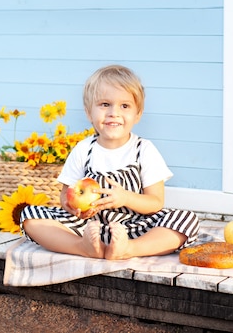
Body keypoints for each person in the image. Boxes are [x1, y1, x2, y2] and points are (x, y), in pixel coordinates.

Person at [20, 65, 199, 260]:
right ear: (89, 113)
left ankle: (129, 248)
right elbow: (65, 194)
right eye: (105, 104)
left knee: (186, 220)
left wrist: (126, 199)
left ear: (137, 114)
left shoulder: (143, 150)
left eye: (124, 106)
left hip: (133, 226)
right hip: (88, 226)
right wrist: (71, 206)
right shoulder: (83, 149)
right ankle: (82, 246)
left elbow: (155, 202)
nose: (114, 112)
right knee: (30, 215)